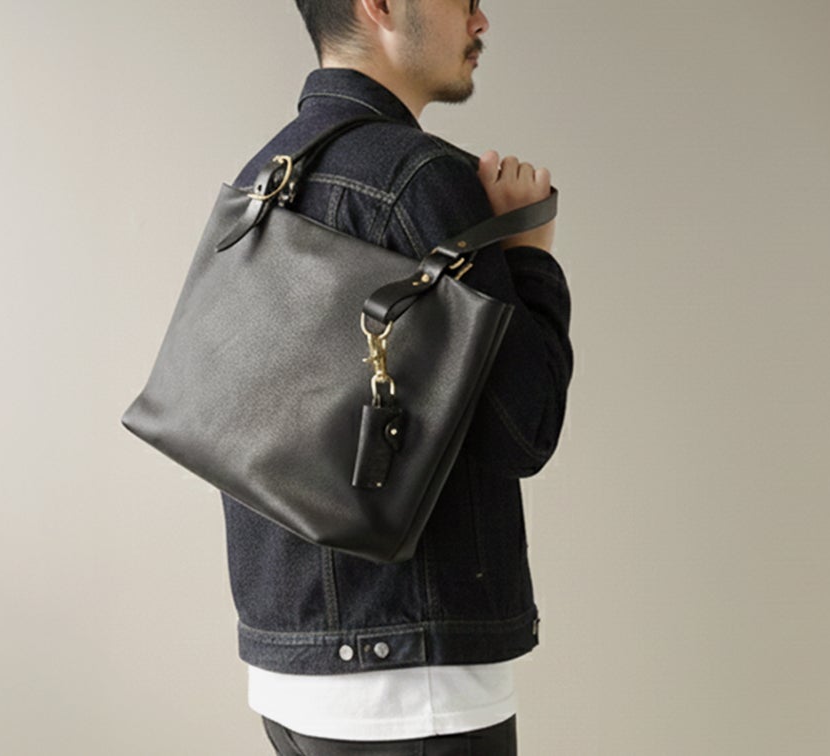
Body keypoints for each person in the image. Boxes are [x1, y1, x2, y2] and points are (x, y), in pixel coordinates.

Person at [219, 1, 572, 753]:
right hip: (414, 681)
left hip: (288, 670)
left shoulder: (263, 174)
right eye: (462, 1)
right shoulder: (424, 180)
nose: (481, 21)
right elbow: (525, 429)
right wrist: (530, 256)